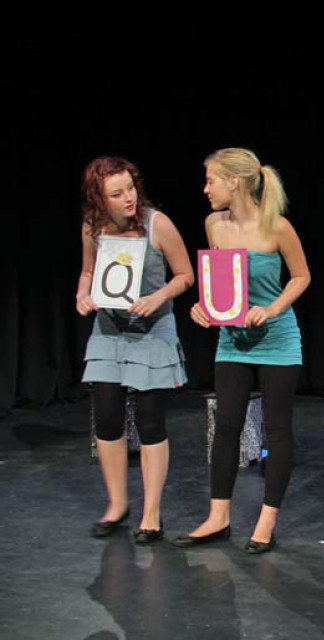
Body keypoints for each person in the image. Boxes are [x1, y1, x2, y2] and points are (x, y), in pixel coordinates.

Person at [174, 148, 310, 554]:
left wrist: (270, 309)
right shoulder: (214, 225)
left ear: (234, 182)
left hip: (276, 339)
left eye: (210, 180)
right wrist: (204, 306)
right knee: (227, 424)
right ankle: (218, 516)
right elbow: (220, 282)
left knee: (276, 428)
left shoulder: (278, 227)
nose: (205, 189)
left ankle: (266, 521)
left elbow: (302, 276)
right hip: (232, 339)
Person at [77, 156, 194, 543]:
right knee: (107, 417)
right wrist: (82, 292)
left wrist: (157, 296)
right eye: (117, 193)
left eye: (130, 188)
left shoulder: (157, 224)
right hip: (109, 328)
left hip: (151, 328)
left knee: (149, 420)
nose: (128, 198)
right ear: (99, 198)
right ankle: (116, 504)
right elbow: (89, 271)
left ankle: (151, 513)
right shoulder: (92, 227)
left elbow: (185, 275)